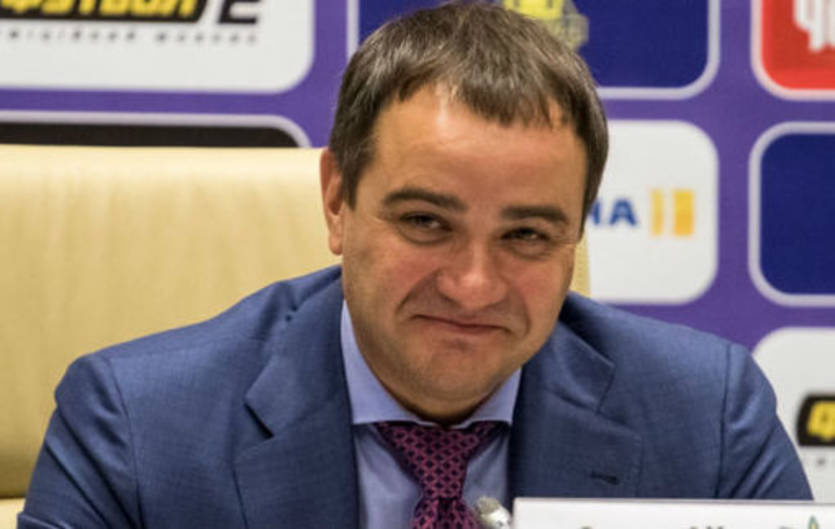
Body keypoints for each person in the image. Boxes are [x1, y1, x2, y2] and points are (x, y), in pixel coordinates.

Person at [20, 3, 811, 528]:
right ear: (337, 199)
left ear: (575, 234)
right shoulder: (139, 426)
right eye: (426, 222)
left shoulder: (705, 418)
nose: (473, 284)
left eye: (526, 235)